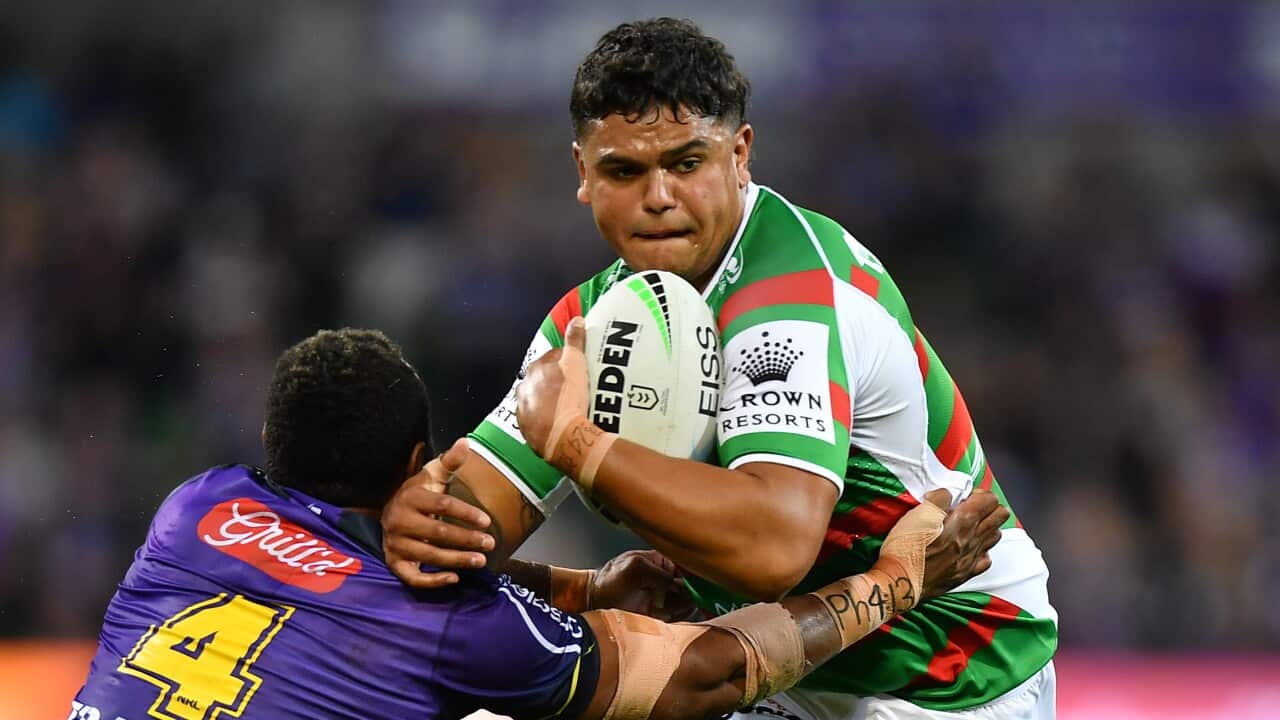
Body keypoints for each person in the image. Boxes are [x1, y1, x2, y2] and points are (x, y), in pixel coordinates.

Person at [382, 17, 1056, 720]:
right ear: (583, 173)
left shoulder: (793, 295)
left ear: (740, 156)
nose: (658, 196)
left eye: (685, 162)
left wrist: (579, 447)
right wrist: (414, 524)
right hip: (771, 665)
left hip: (944, 676)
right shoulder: (587, 321)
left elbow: (772, 549)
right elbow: (452, 544)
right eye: (624, 170)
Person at [72, 327, 958, 720]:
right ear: (420, 460)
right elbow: (708, 676)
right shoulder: (461, 631)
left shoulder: (198, 508)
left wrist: (579, 586)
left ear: (272, 440)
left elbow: (336, 579)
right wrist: (898, 581)